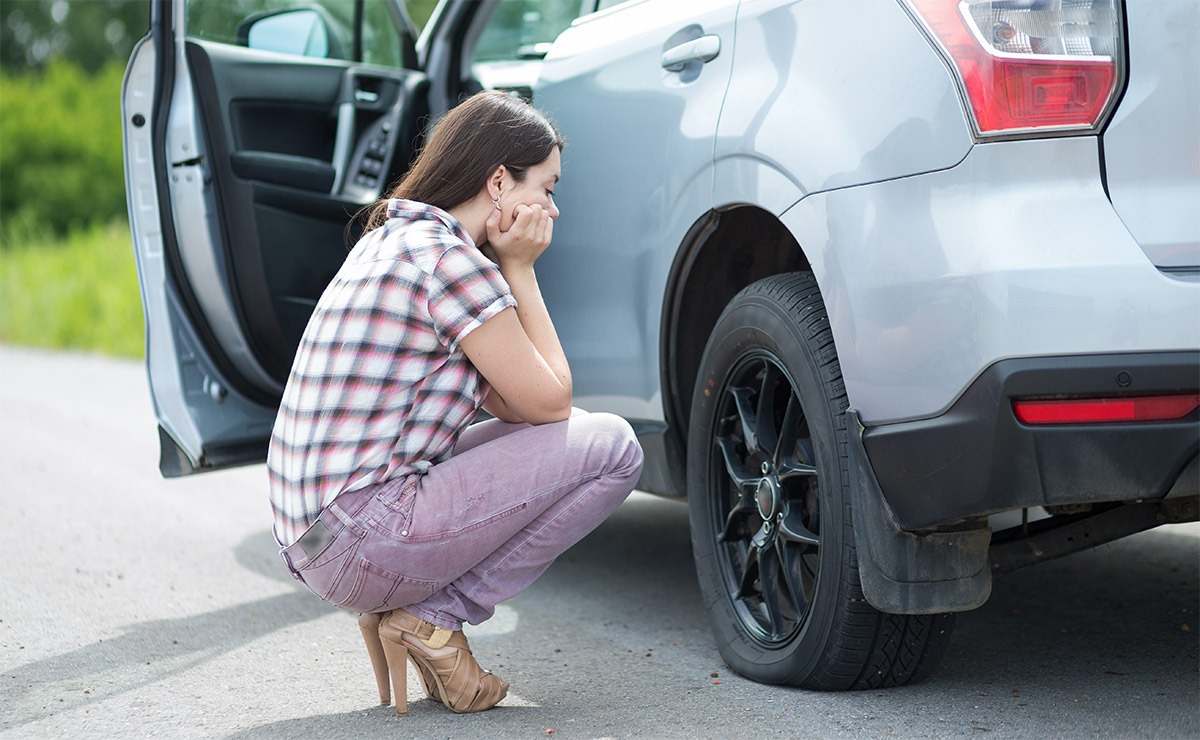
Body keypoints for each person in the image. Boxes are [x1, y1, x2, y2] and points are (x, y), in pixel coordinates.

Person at [267, 91, 644, 716]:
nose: (552, 207)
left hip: (316, 538)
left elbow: (519, 407)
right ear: (499, 181)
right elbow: (552, 402)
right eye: (545, 188)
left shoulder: (394, 238)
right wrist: (519, 268)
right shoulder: (452, 262)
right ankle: (433, 618)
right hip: (362, 537)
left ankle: (415, 616)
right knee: (613, 448)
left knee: (575, 436)